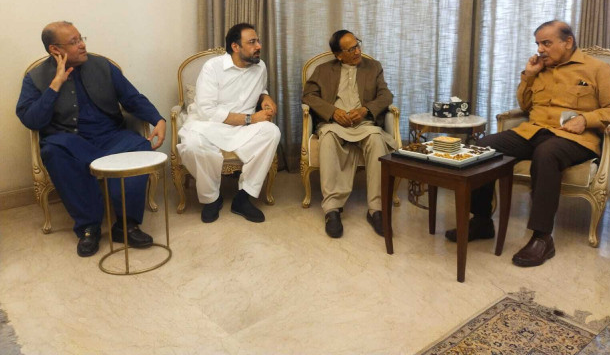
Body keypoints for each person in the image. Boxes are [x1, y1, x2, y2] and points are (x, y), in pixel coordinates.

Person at [445, 20, 610, 267]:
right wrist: (529, 76)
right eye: (538, 44)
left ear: (568, 42)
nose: (540, 49)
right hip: (532, 132)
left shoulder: (598, 69)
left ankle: (542, 237)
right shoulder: (541, 68)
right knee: (482, 147)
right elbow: (525, 106)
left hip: (573, 138)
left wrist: (586, 119)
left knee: (546, 154)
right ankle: (481, 221)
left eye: (546, 43)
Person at [16, 21, 166, 257]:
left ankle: (126, 225)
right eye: (74, 42)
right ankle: (89, 227)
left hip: (110, 136)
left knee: (140, 145)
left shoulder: (103, 66)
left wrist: (158, 119)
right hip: (69, 140)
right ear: (55, 49)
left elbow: (132, 98)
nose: (82, 45)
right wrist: (55, 84)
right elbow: (32, 120)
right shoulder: (35, 78)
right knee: (54, 152)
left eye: (81, 38)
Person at [177, 23, 280, 224]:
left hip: (242, 128)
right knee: (192, 145)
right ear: (235, 47)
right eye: (252, 42)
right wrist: (251, 118)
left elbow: (260, 89)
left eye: (258, 41)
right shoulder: (212, 67)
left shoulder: (260, 66)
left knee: (272, 132)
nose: (259, 46)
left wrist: (265, 97)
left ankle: (243, 198)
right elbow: (207, 111)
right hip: (208, 125)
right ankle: (211, 199)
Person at [302, 29, 398, 238]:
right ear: (339, 55)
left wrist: (366, 110)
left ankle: (376, 210)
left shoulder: (373, 67)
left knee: (376, 139)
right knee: (328, 139)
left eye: (358, 45)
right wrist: (332, 112)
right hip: (334, 124)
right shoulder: (322, 70)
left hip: (364, 123)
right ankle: (332, 210)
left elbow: (386, 95)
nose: (358, 51)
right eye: (351, 49)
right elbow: (308, 95)